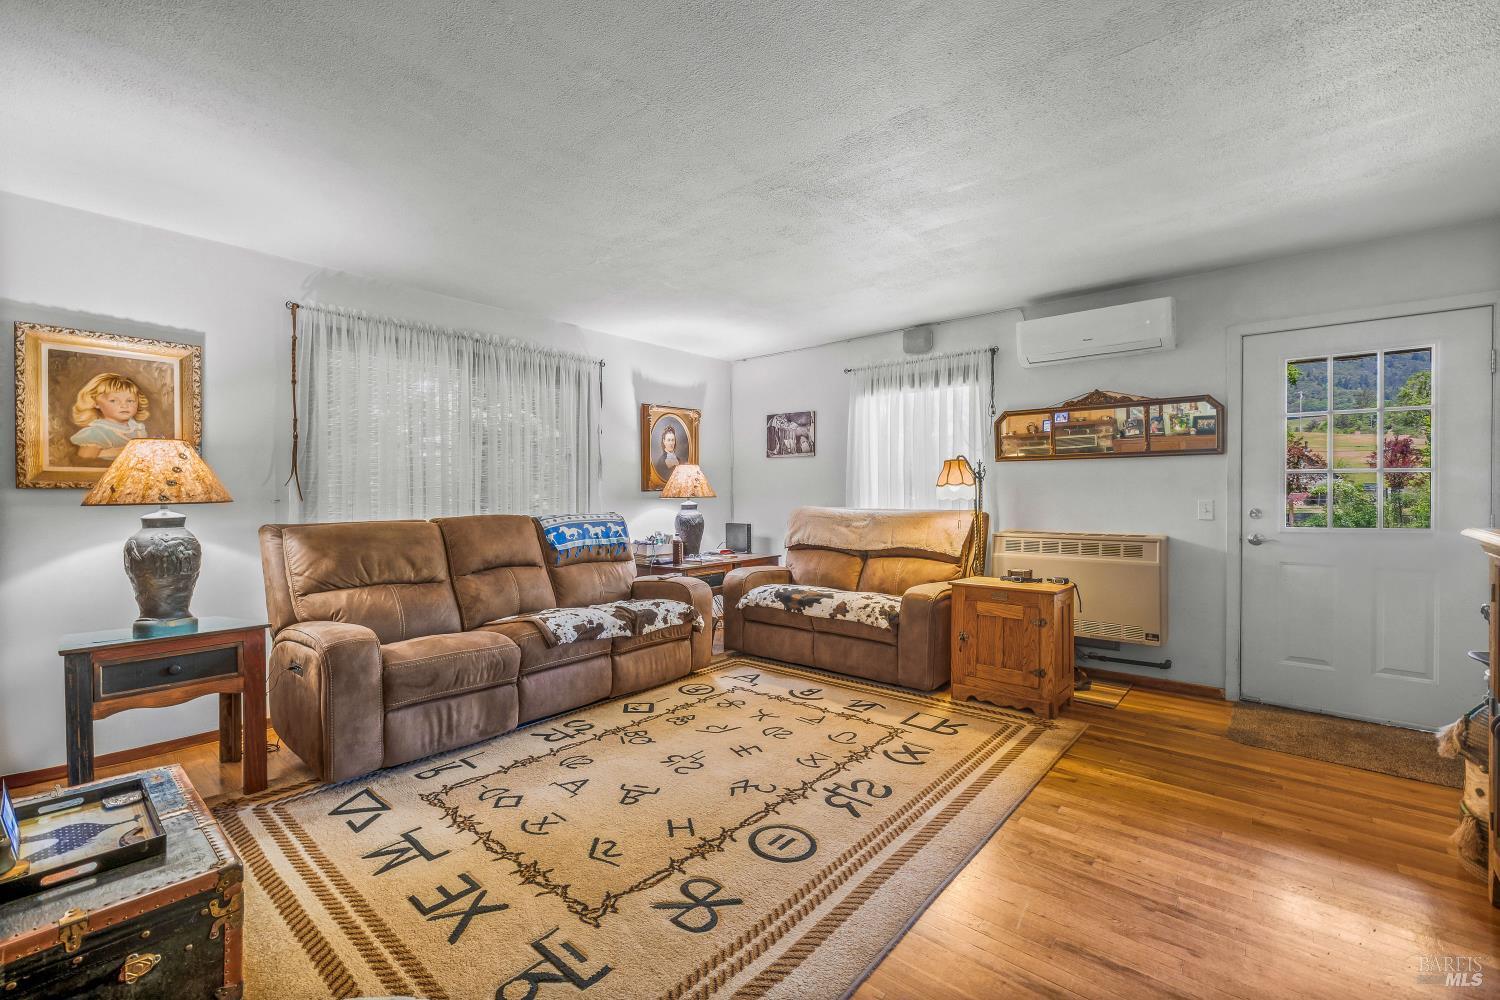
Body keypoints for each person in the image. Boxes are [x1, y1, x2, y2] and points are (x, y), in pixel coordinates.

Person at [70, 372, 149, 461]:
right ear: (96, 403)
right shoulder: (96, 433)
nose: (124, 405)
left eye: (130, 401)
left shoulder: (138, 430)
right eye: (113, 401)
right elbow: (84, 464)